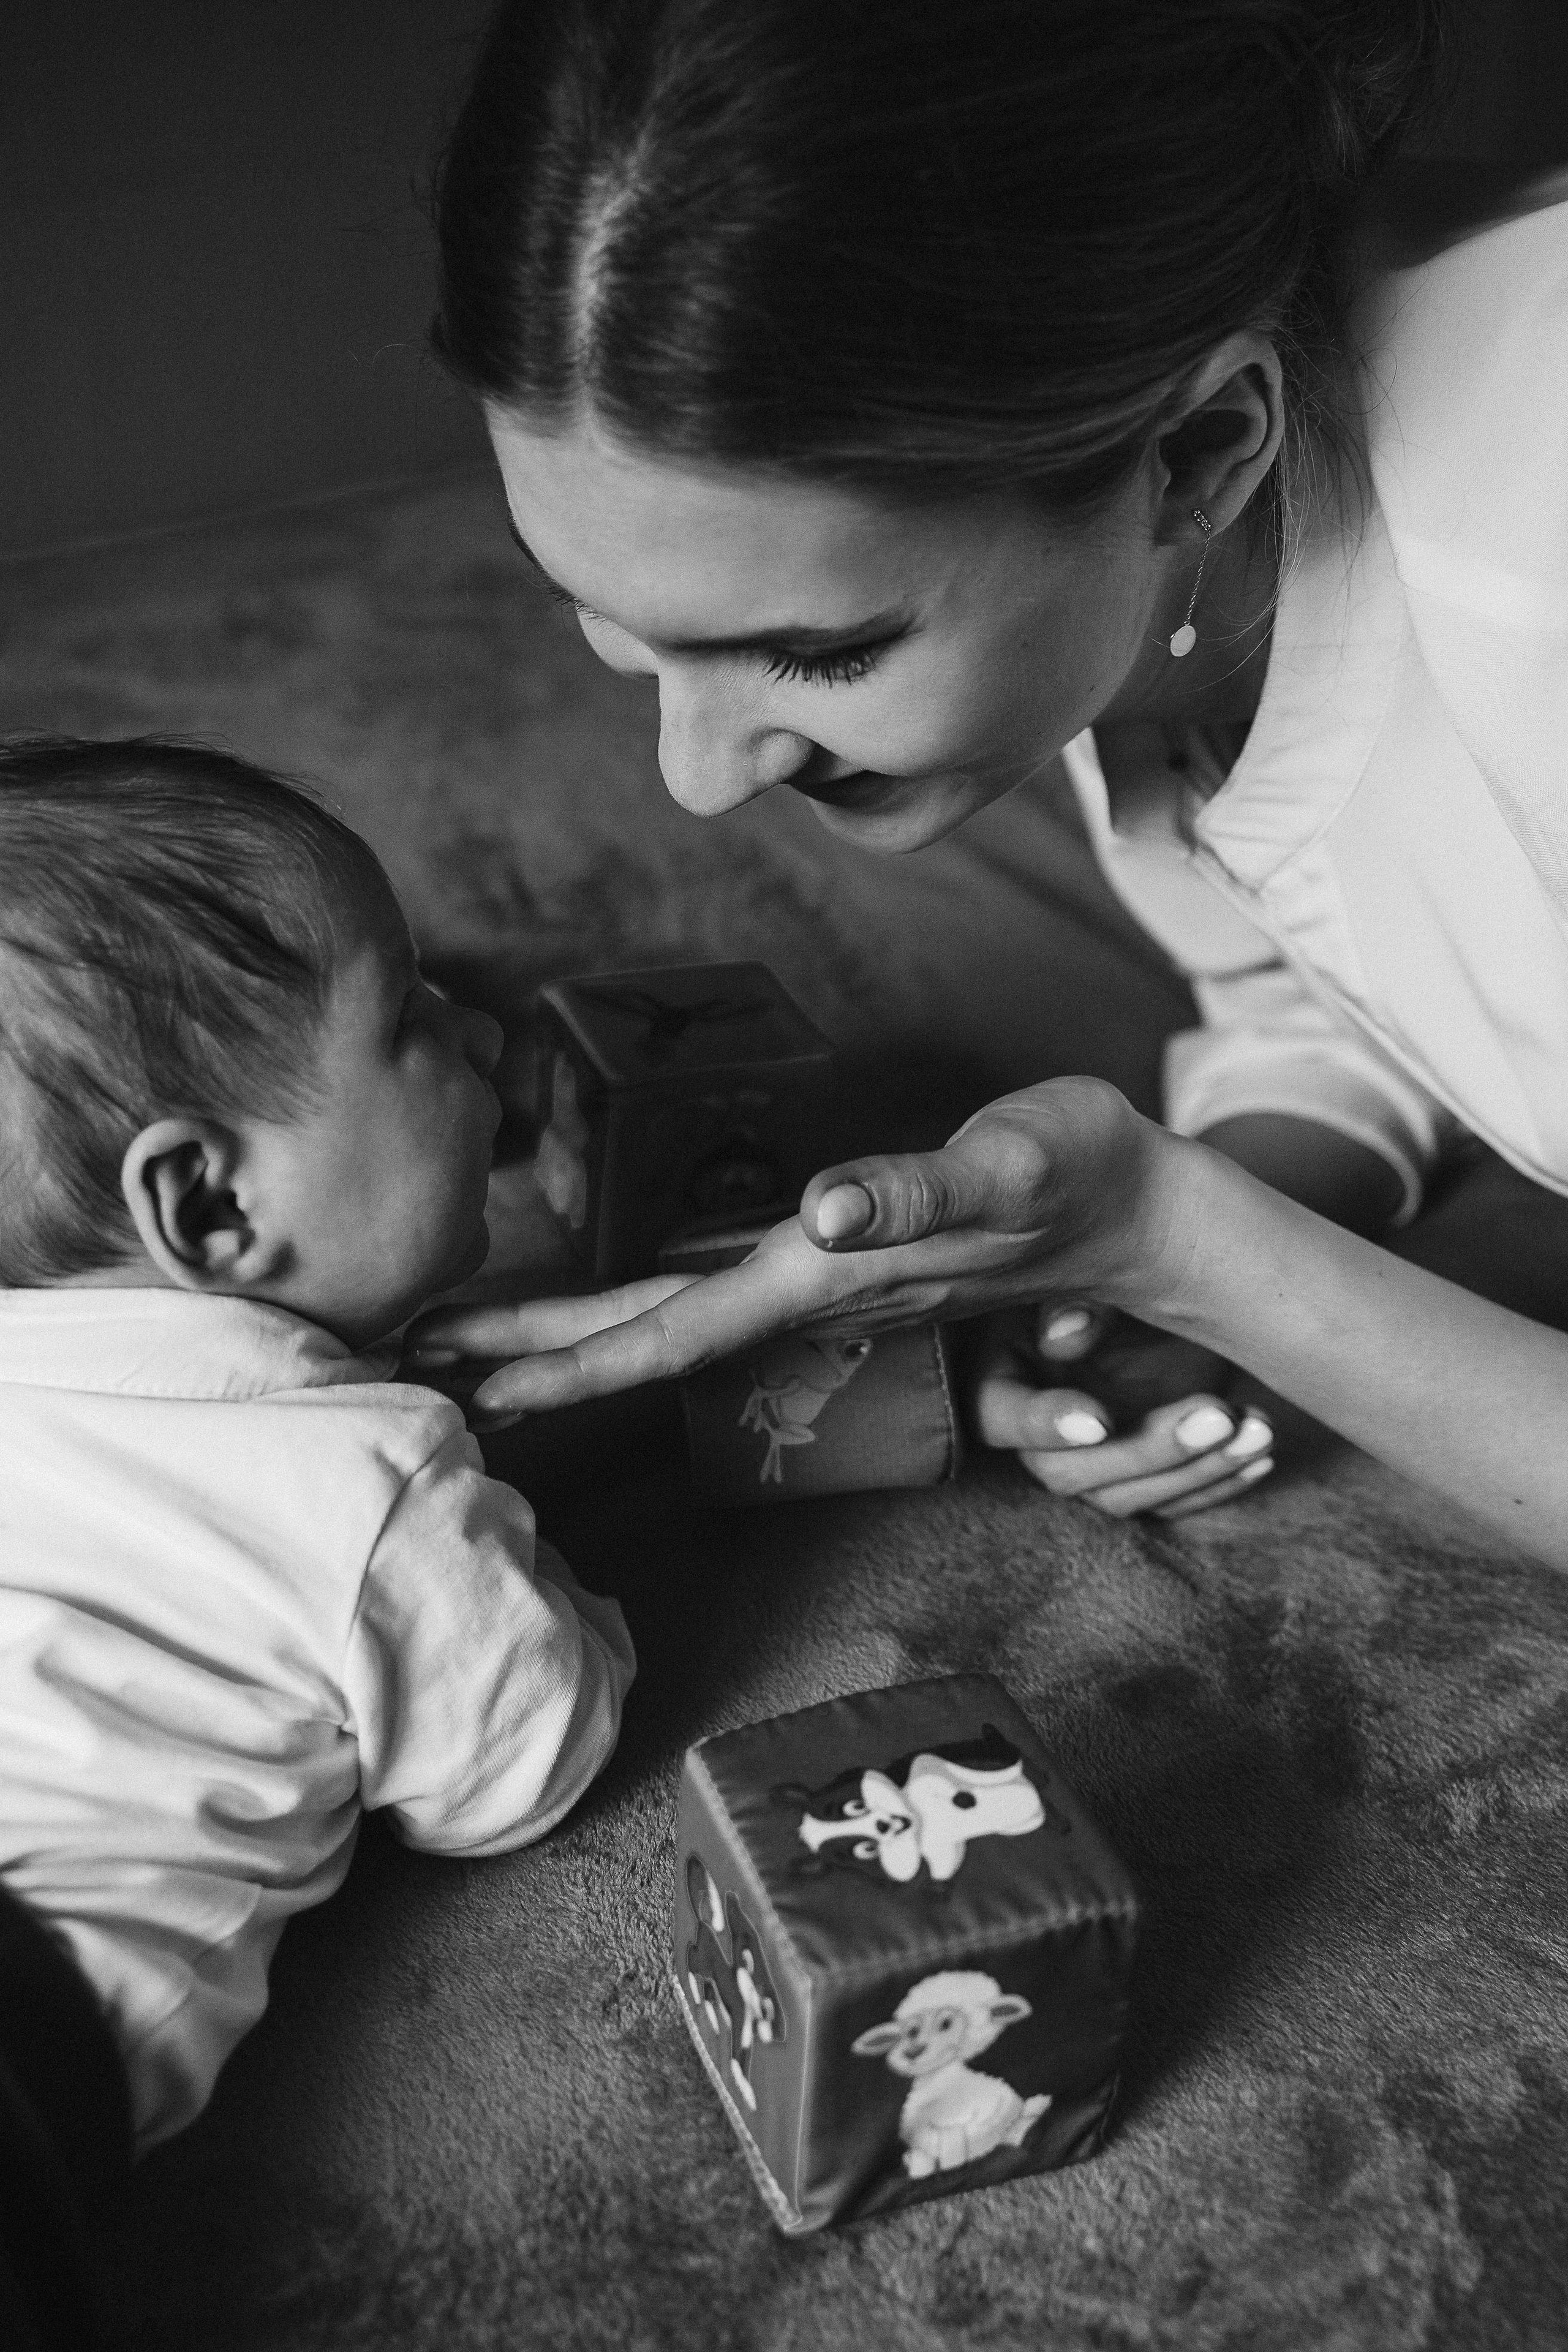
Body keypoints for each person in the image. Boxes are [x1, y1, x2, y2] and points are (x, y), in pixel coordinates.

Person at [411, 0, 1568, 1561]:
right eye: (612, 625)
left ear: (1200, 452)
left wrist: (1186, 1249)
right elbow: (1386, 978)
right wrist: (1142, 1237)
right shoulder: (1154, 545)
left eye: (818, 655)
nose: (694, 780)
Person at [0, 736, 634, 2154]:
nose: (481, 1035)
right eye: (410, 1014)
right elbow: (523, 1772)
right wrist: (530, 1564)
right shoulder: (367, 1476)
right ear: (211, 1209)